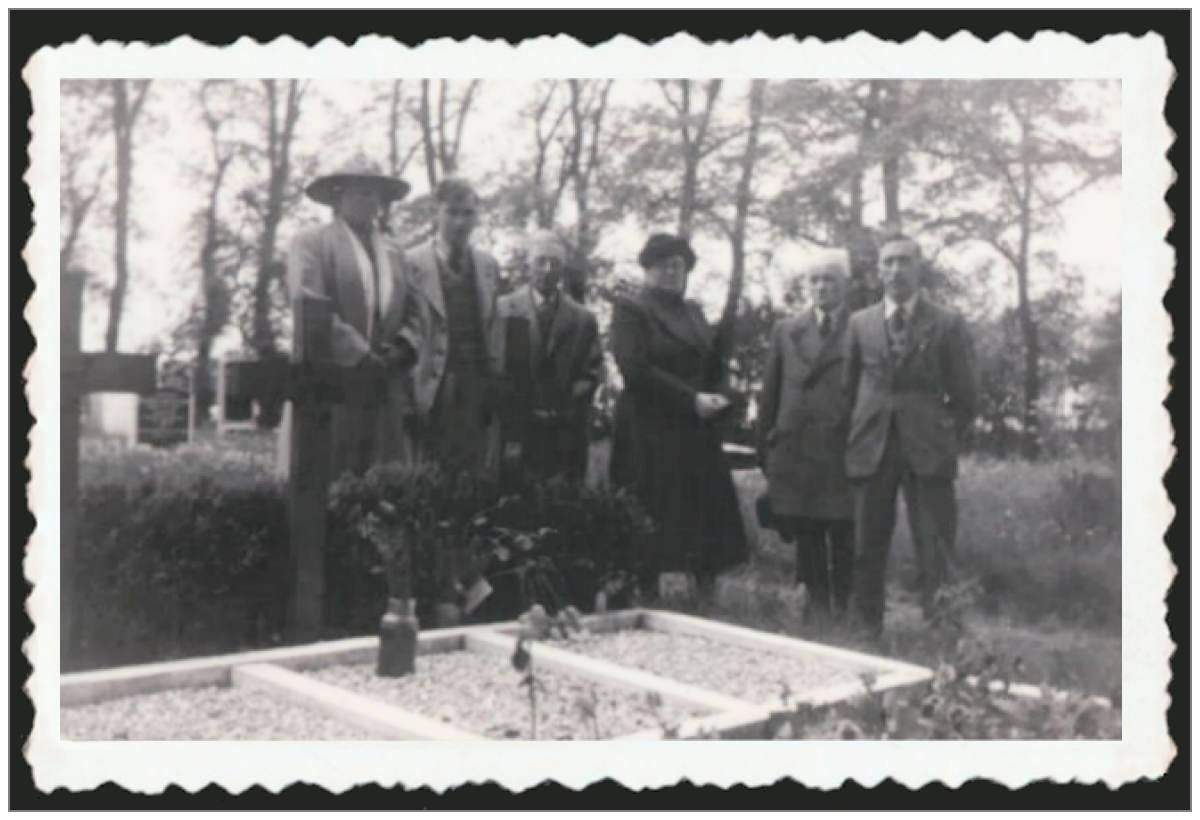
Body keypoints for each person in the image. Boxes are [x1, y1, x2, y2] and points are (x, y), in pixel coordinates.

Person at [843, 233, 977, 637]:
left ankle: (942, 629)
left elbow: (967, 394)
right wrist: (862, 429)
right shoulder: (860, 323)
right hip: (872, 446)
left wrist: (940, 429)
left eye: (905, 261)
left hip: (928, 450)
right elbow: (849, 389)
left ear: (919, 268)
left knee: (935, 543)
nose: (896, 269)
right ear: (878, 271)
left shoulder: (948, 323)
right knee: (867, 541)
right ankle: (866, 629)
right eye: (889, 262)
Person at [609, 233, 748, 595]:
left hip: (695, 429)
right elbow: (634, 368)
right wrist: (691, 399)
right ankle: (644, 591)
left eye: (679, 266)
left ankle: (704, 593)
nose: (672, 273)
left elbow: (714, 361)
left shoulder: (694, 312)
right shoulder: (631, 309)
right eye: (663, 265)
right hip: (648, 428)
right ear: (648, 269)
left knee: (703, 513)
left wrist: (721, 396)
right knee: (649, 512)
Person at [280, 155, 416, 478]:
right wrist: (359, 354)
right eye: (356, 190)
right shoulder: (312, 243)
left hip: (384, 381)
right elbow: (309, 302)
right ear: (337, 197)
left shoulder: (396, 253)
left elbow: (414, 311)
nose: (366, 199)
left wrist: (400, 347)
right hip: (333, 379)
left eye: (373, 192)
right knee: (329, 472)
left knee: (382, 473)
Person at [758, 249, 855, 621]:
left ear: (844, 285)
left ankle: (845, 607)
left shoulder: (860, 328)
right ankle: (816, 605)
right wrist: (764, 448)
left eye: (830, 279)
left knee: (843, 530)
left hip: (839, 447)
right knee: (807, 530)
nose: (821, 287)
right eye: (815, 280)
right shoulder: (786, 330)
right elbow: (770, 391)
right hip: (796, 448)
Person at [398, 178, 505, 478]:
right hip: (432, 388)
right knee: (428, 475)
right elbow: (401, 331)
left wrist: (495, 386)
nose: (460, 222)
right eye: (452, 212)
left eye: (468, 213)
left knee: (475, 473)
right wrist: (406, 398)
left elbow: (494, 331)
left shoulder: (487, 265)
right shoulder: (410, 263)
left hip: (476, 386)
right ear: (436, 212)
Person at [496, 229, 603, 483]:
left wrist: (563, 404)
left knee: (563, 501)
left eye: (554, 263)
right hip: (516, 427)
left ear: (563, 269)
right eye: (540, 261)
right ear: (528, 265)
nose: (547, 269)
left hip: (565, 429)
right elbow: (494, 366)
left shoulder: (582, 319)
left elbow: (593, 370)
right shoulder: (503, 309)